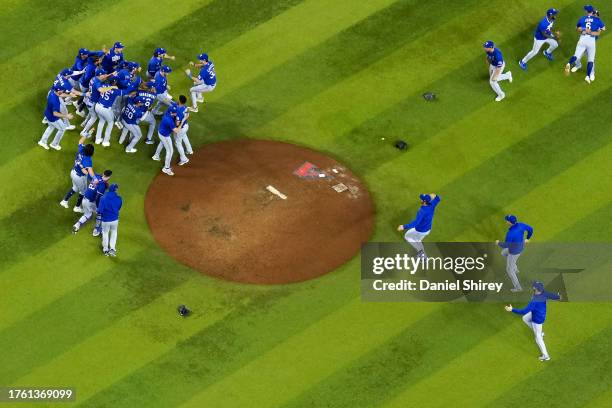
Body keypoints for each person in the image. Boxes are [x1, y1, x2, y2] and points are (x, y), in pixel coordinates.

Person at [505, 281, 561, 361]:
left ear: (537, 289)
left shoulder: (534, 301)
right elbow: (552, 296)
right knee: (525, 318)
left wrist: (512, 309)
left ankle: (546, 355)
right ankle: (540, 332)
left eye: (534, 286)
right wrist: (558, 296)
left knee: (538, 338)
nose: (533, 287)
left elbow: (523, 311)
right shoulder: (543, 293)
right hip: (540, 313)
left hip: (537, 319)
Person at [564, 5, 606, 83]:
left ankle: (591, 73)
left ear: (587, 11)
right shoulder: (596, 20)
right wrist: (593, 30)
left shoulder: (583, 19)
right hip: (588, 40)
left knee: (585, 57)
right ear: (593, 13)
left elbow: (577, 28)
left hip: (587, 40)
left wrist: (584, 30)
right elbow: (603, 29)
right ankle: (578, 66)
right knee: (586, 59)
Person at [496, 215, 533, 292]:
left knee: (509, 270)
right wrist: (528, 238)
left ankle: (518, 288)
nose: (506, 221)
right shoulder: (521, 225)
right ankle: (515, 269)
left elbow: (506, 245)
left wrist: (498, 243)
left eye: (507, 220)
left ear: (510, 222)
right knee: (503, 253)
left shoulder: (511, 233)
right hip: (520, 247)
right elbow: (530, 229)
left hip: (514, 252)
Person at [397, 194, 441, 258]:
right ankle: (422, 253)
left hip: (420, 230)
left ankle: (422, 255)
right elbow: (438, 197)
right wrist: (430, 195)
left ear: (424, 201)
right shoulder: (432, 204)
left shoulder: (422, 211)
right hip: (427, 229)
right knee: (418, 240)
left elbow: (415, 223)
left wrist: (403, 226)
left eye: (422, 199)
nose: (420, 199)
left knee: (407, 236)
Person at [60, 136, 95, 213]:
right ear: (91, 152)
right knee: (83, 192)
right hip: (79, 177)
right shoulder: (88, 159)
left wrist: (87, 134)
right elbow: (90, 172)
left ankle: (64, 201)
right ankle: (77, 207)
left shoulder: (81, 150)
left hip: (73, 172)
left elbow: (80, 141)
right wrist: (96, 179)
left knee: (75, 188)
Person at [72, 170, 112, 235]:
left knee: (88, 214)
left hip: (84, 199)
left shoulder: (96, 176)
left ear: (103, 173)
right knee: (101, 212)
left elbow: (89, 175)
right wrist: (98, 207)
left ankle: (77, 225)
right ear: (109, 177)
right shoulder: (102, 186)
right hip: (90, 202)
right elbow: (98, 198)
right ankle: (96, 231)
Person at [38, 86, 73, 150]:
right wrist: (66, 116)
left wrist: (70, 95)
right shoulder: (55, 102)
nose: (63, 91)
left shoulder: (52, 92)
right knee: (62, 129)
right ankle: (54, 144)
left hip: (47, 114)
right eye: (62, 90)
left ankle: (42, 141)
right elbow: (55, 113)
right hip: (53, 118)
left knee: (51, 127)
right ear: (59, 91)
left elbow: (61, 94)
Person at [152, 105, 180, 176]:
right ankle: (166, 168)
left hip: (161, 131)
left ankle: (156, 156)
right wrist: (181, 122)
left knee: (162, 143)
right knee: (170, 151)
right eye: (175, 113)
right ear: (172, 113)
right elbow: (176, 131)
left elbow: (174, 106)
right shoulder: (169, 120)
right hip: (164, 135)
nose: (176, 114)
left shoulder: (168, 112)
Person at [98, 183, 123, 257]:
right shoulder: (119, 198)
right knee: (114, 232)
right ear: (116, 190)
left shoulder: (103, 198)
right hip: (115, 219)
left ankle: (105, 250)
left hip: (105, 220)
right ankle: (112, 248)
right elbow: (119, 207)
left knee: (105, 233)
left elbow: (100, 211)